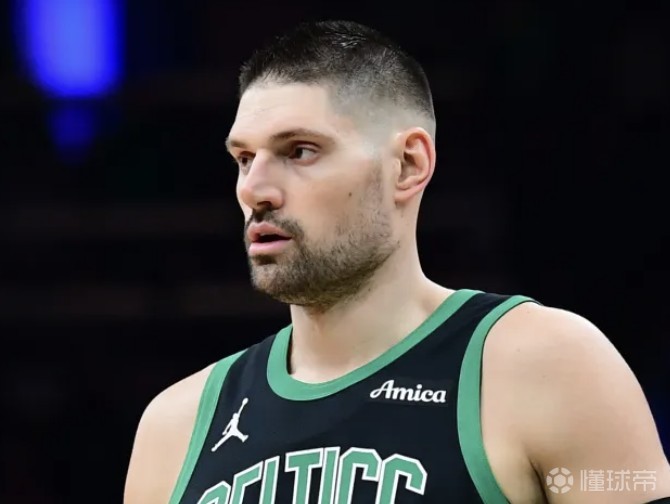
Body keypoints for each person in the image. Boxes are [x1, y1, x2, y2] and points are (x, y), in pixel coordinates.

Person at [124, 20, 670, 504]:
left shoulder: (549, 365)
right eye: (245, 158)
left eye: (299, 151)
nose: (254, 189)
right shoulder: (174, 427)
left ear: (408, 165)